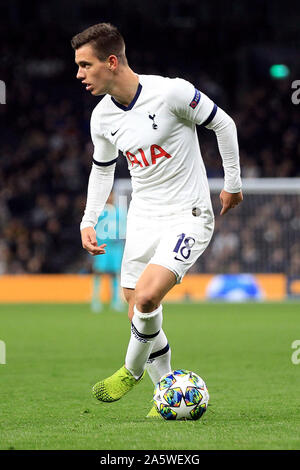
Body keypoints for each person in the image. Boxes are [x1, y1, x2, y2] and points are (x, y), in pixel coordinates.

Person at [71, 23, 243, 418]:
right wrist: (88, 219)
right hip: (143, 219)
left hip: (189, 215)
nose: (79, 74)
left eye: (85, 65)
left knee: (148, 298)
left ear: (111, 62)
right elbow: (102, 170)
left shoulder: (171, 92)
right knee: (136, 313)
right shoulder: (102, 118)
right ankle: (165, 392)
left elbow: (224, 123)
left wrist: (232, 183)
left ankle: (130, 372)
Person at [91, 191, 126, 313]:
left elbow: (124, 228)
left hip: (116, 247)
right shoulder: (99, 212)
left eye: (111, 195)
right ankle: (96, 300)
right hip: (102, 245)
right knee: (99, 272)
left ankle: (116, 301)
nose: (109, 198)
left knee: (115, 273)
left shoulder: (119, 212)